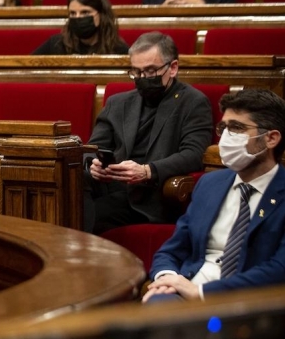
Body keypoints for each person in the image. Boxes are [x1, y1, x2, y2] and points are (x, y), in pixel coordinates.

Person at [144, 89, 285, 303]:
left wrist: (202, 294)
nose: (226, 137)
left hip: (251, 302)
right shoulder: (210, 184)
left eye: (237, 128)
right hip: (188, 289)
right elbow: (172, 249)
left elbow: (279, 269)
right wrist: (168, 278)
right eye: (223, 127)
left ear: (271, 138)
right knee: (156, 306)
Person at [85, 32, 213, 234]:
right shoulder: (118, 103)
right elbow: (92, 149)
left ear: (173, 68)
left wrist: (147, 171)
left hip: (151, 195)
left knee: (87, 215)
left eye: (150, 71)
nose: (143, 78)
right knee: (69, 198)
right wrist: (94, 165)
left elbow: (194, 154)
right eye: (136, 72)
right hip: (111, 185)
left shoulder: (193, 103)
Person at [32, 0, 129, 55]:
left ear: (101, 14)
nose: (78, 18)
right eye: (73, 13)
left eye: (85, 12)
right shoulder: (56, 45)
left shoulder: (119, 50)